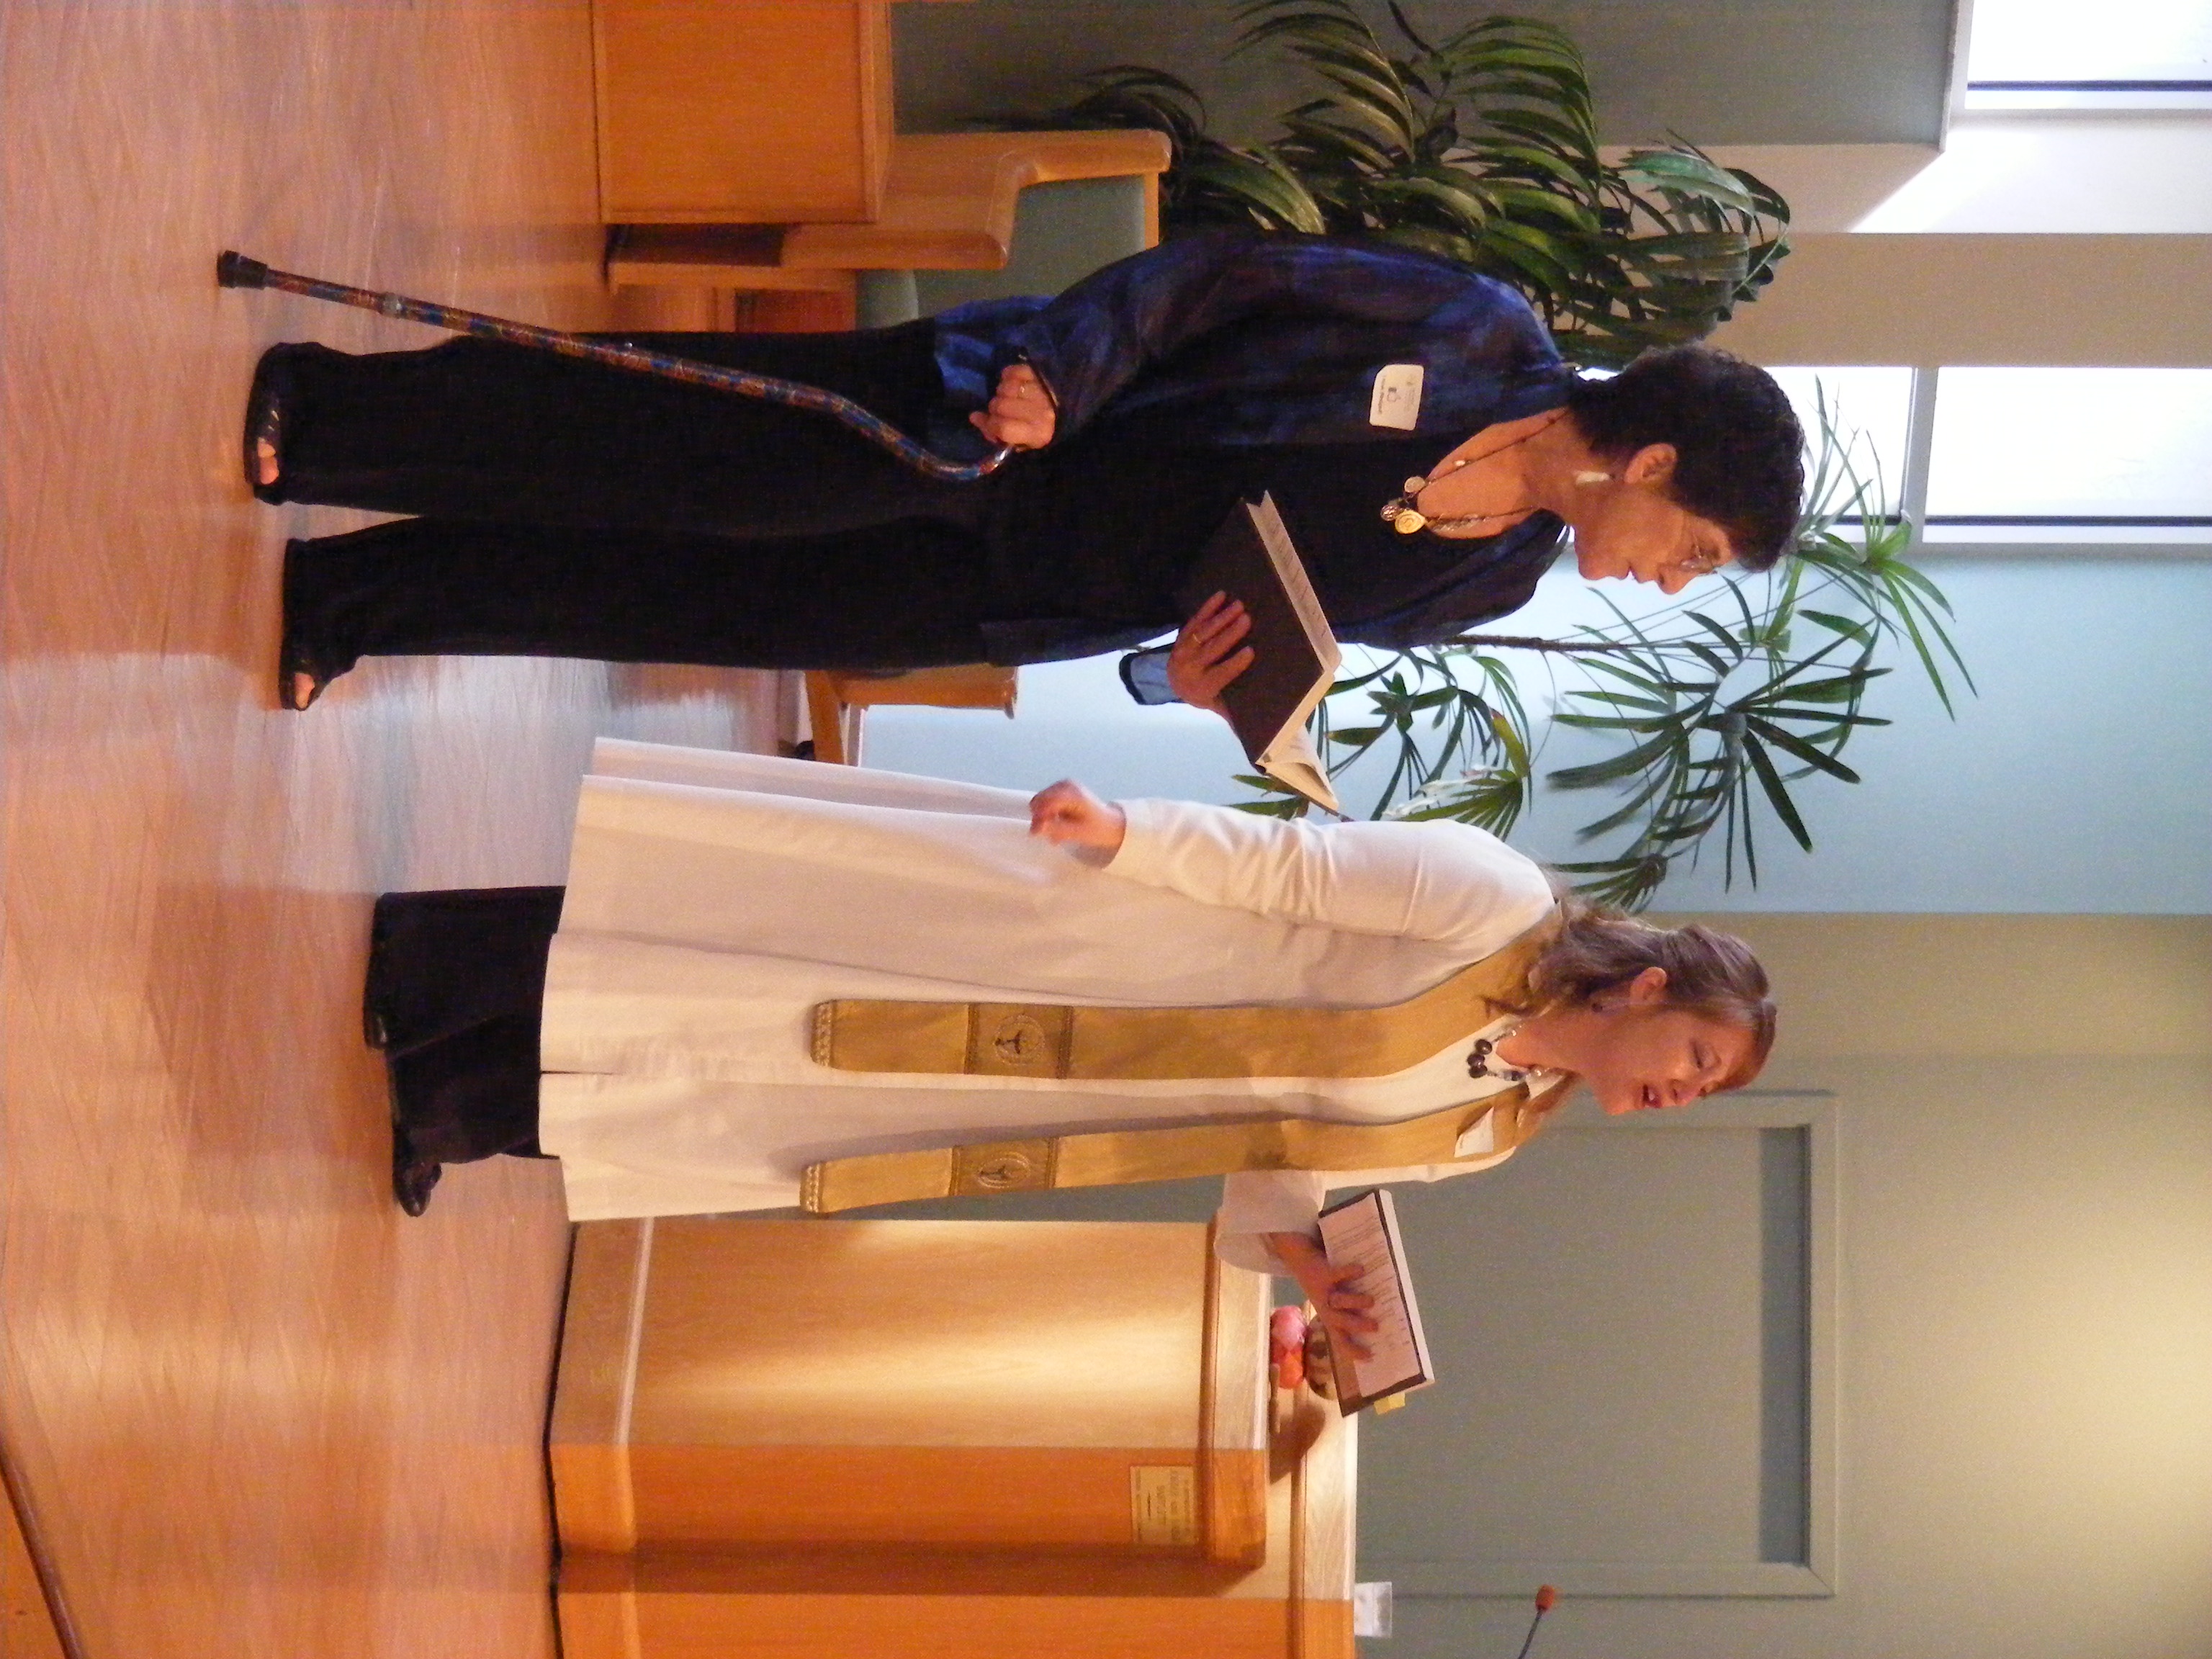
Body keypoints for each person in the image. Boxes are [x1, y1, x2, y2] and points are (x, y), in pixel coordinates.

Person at [367, 739, 1774, 1357]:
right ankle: (429, 967)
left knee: (761, 1087)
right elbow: (1294, 868)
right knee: (773, 943)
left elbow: (1282, 1148)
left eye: (1702, 1092)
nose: (1681, 1093)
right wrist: (1128, 834)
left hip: (1072, 1093)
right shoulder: (1494, 902)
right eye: (1700, 1059)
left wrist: (1305, 1264)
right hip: (1083, 952)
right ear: (1651, 986)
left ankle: (454, 1102)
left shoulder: (1489, 1134)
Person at [249, 229, 1805, 711]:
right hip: (995, 430)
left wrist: (1179, 688)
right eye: (1695, 547)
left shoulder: (1491, 581)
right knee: (677, 455)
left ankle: (359, 600)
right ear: (1656, 458)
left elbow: (1254, 645)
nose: (1673, 583)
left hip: (1018, 594)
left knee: (671, 600)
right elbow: (1222, 280)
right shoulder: (1474, 332)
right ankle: (336, 416)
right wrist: (1063, 371)